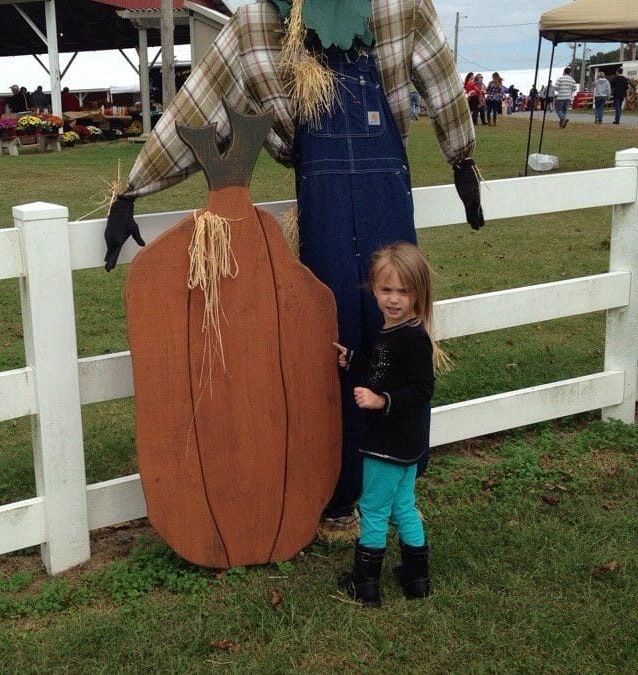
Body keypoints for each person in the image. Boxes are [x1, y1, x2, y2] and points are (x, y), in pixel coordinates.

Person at [103, 0, 484, 526]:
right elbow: (199, 105)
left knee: (398, 333)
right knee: (328, 338)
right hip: (322, 205)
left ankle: (398, 474)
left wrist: (463, 159)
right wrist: (133, 189)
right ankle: (333, 483)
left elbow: (440, 77)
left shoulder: (399, 6)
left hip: (386, 193)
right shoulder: (258, 21)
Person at [334, 242, 445, 605]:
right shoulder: (393, 330)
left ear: (419, 294)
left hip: (387, 444)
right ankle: (417, 580)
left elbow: (422, 388)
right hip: (406, 445)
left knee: (374, 510)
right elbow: (384, 370)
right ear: (374, 289)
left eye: (403, 291)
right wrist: (355, 360)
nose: (394, 299)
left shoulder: (413, 338)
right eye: (386, 290)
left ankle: (365, 586)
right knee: (403, 507)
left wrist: (381, 401)